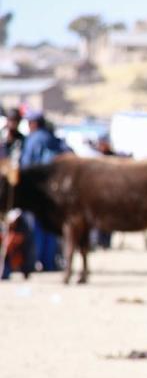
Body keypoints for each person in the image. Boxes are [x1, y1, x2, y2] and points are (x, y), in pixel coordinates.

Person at [19, 109, 71, 272]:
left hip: (38, 193)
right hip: (56, 194)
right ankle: (49, 262)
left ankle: (36, 261)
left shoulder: (33, 140)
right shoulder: (53, 139)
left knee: (36, 229)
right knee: (51, 230)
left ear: (34, 123)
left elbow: (26, 167)